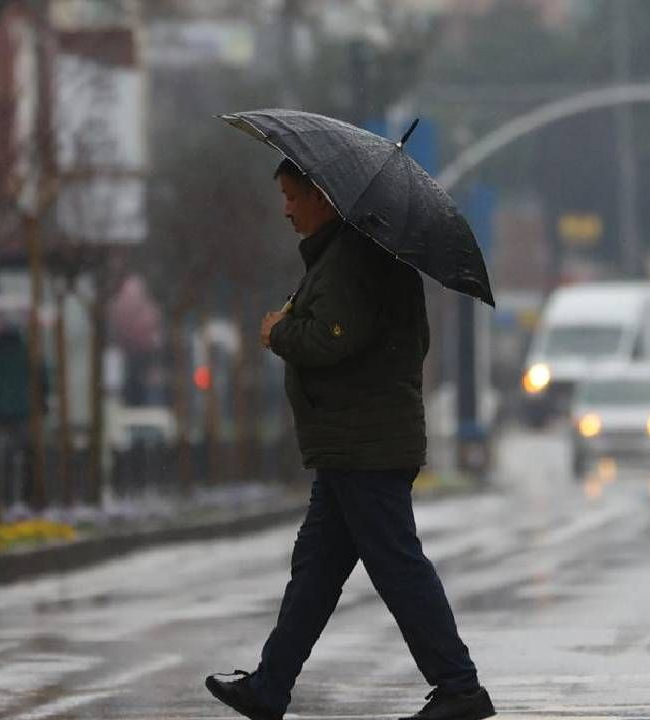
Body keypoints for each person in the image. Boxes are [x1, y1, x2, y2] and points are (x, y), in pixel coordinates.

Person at [205, 159, 494, 720]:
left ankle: (460, 687)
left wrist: (280, 331)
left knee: (396, 566)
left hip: (366, 446)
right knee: (315, 570)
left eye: (293, 196)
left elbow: (331, 339)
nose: (286, 209)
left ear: (322, 196)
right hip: (352, 446)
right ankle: (269, 687)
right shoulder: (351, 255)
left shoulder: (354, 258)